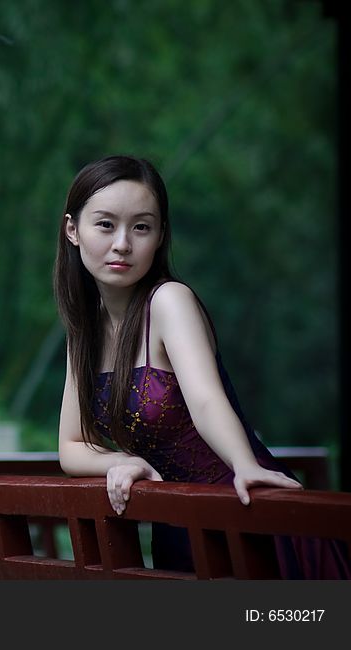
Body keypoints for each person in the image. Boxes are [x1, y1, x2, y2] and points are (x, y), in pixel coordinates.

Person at [54, 154, 349, 578]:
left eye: (141, 227)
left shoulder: (168, 301)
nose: (122, 243)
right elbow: (72, 446)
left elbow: (207, 403)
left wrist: (245, 465)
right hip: (179, 527)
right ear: (72, 230)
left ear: (159, 236)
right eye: (105, 224)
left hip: (245, 511)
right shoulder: (84, 330)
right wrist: (120, 462)